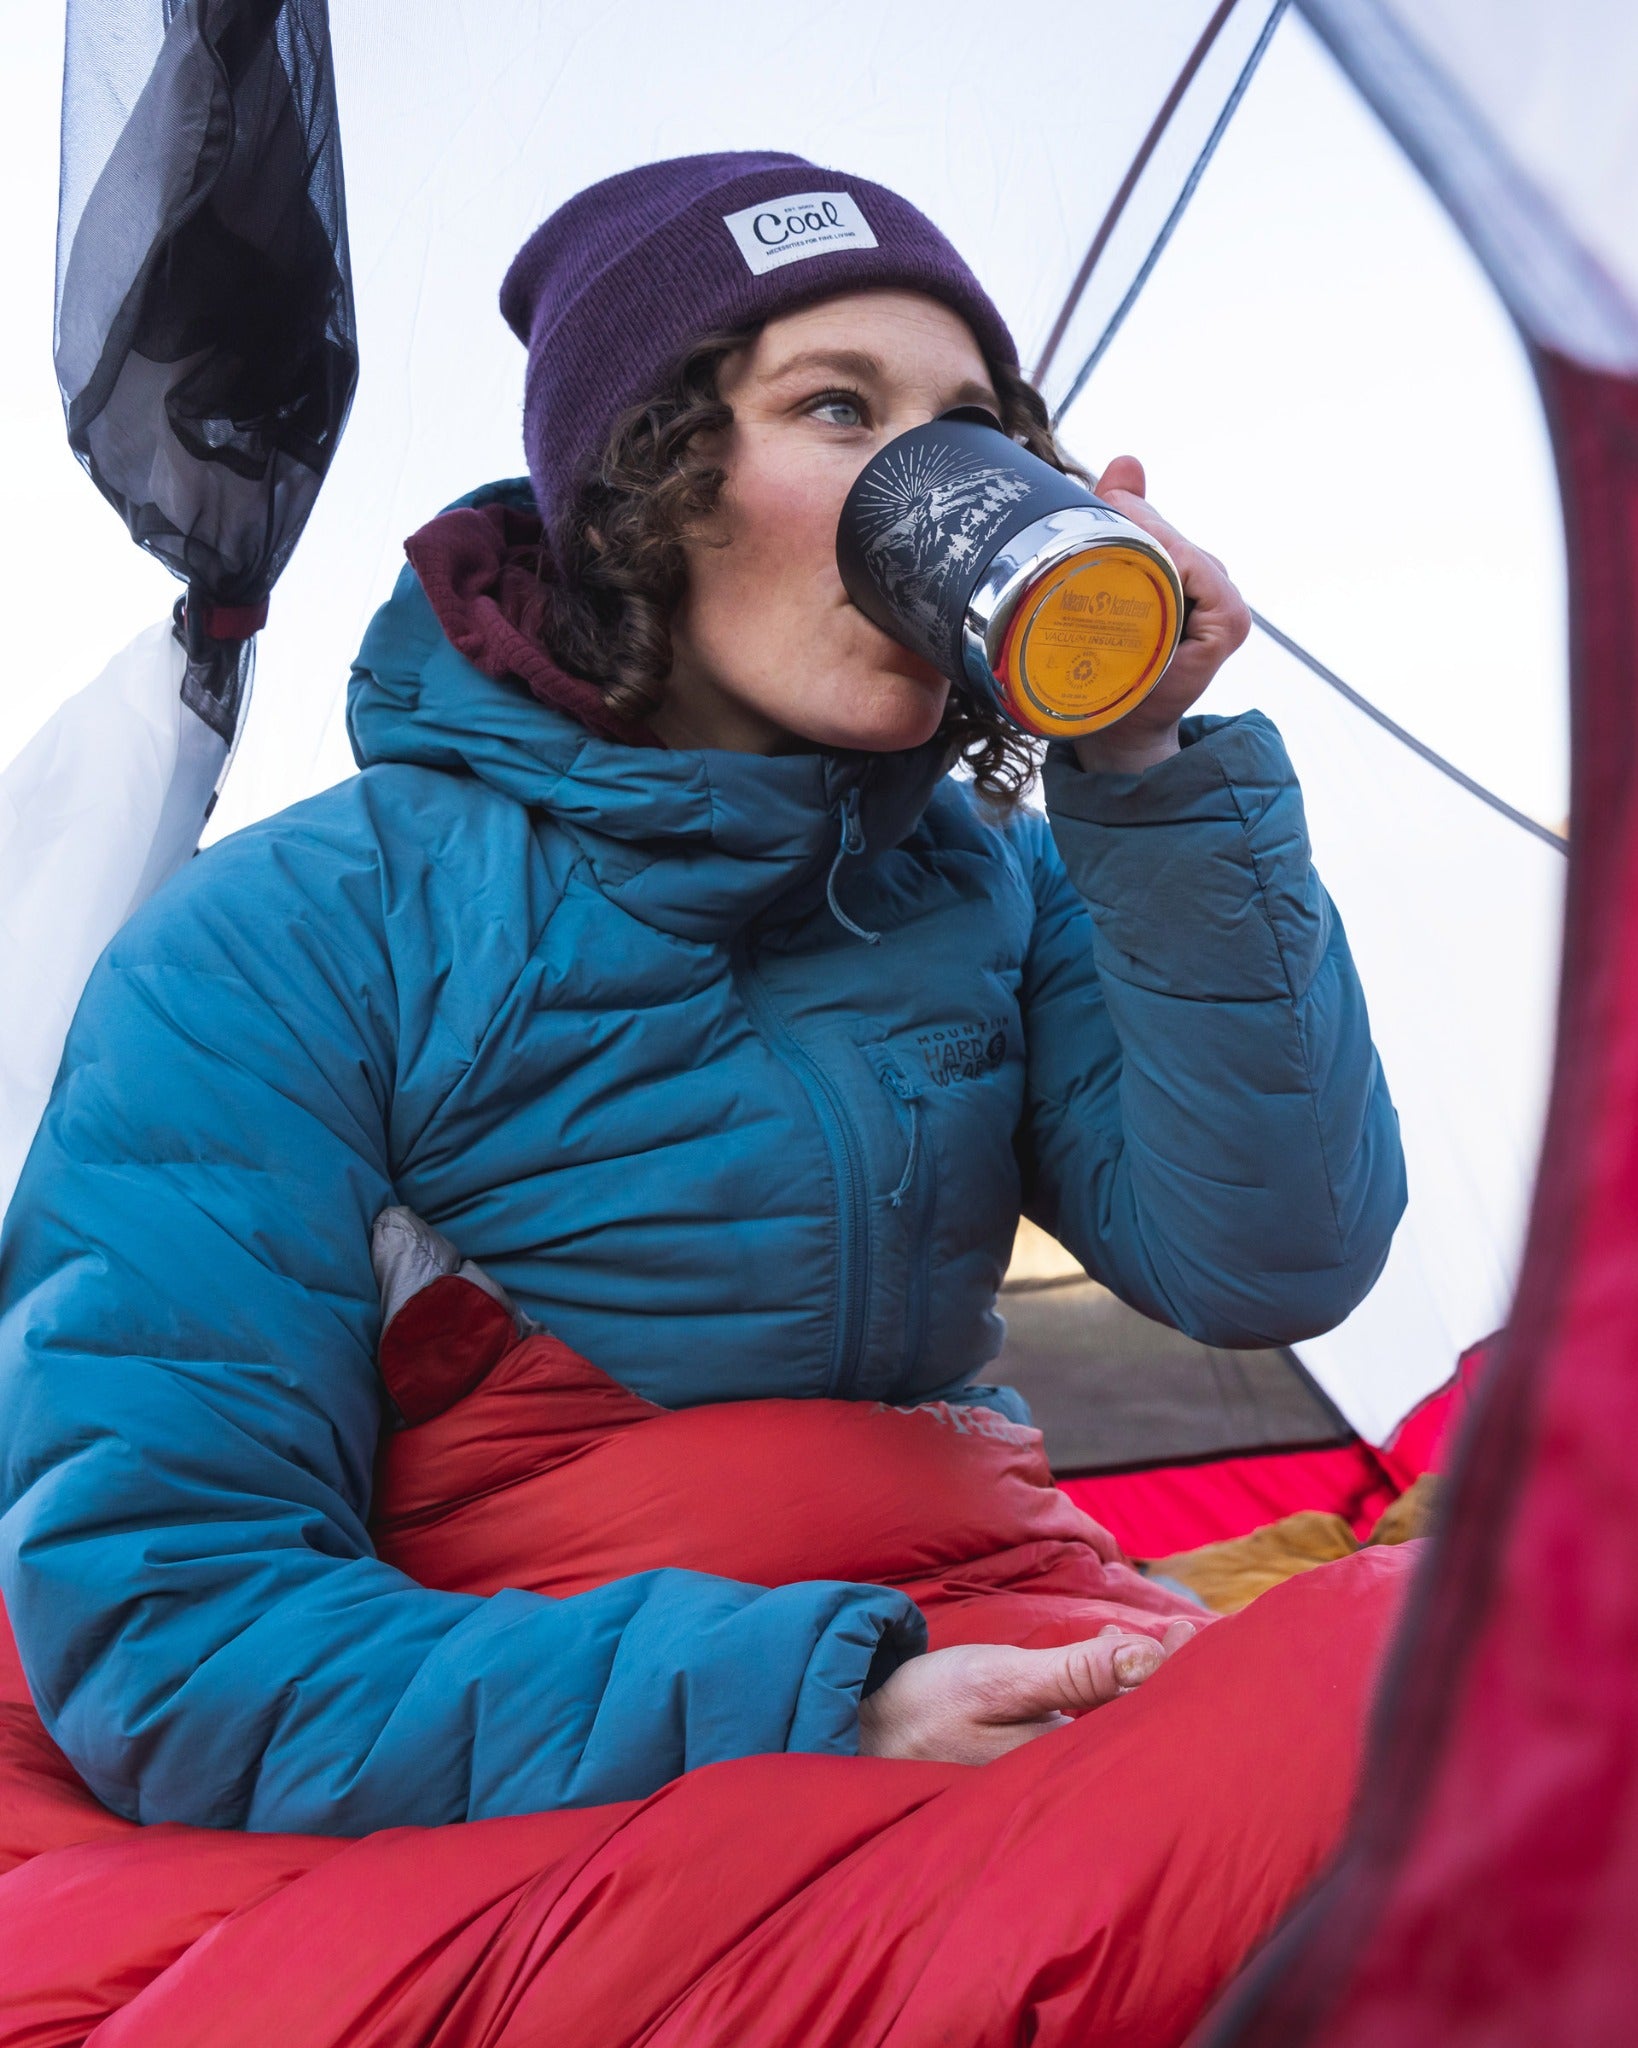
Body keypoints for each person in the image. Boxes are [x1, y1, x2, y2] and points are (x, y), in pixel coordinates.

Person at [0, 151, 1404, 1835]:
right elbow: (174, 1633)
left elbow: (1272, 1258)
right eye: (838, 408)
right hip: (565, 1754)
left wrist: (1142, 763)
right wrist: (831, 1705)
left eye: (976, 431)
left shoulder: (986, 878)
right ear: (642, 493)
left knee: (1511, 1672)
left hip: (998, 1624)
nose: (939, 484)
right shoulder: (299, 938)